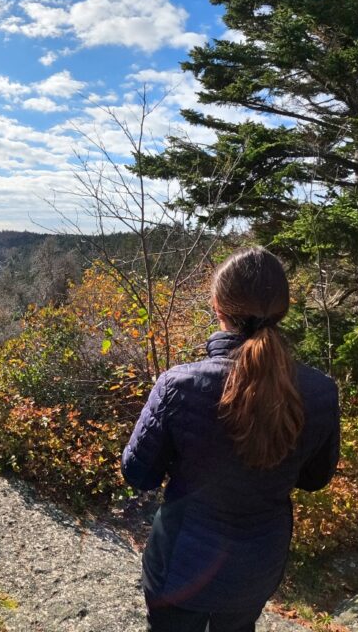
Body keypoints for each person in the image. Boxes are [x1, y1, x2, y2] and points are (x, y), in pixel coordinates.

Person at [122, 246, 340, 632]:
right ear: (282, 309)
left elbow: (139, 474)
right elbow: (314, 479)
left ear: (218, 306)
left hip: (179, 566)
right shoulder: (320, 391)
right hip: (256, 568)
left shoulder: (179, 384)